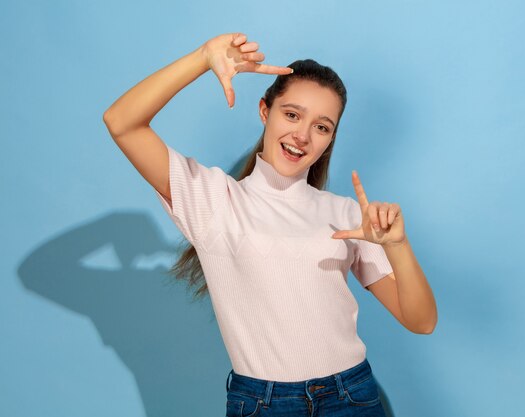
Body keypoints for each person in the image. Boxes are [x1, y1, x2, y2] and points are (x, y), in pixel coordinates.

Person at [103, 32, 437, 417]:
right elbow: (122, 122)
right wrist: (202, 57)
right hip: (265, 404)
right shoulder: (213, 199)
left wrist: (398, 244)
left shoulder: (347, 214)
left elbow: (422, 321)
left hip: (353, 396)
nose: (302, 135)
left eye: (322, 127)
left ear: (330, 138)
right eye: (292, 114)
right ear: (265, 111)